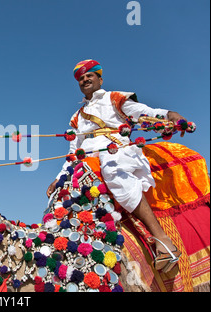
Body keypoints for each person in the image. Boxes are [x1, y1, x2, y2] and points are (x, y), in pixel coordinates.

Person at [46, 59, 184, 272]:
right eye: (81, 79)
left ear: (100, 78)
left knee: (113, 171)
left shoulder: (114, 98)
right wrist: (59, 177)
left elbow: (143, 112)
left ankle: (163, 240)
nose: (85, 80)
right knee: (62, 193)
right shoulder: (76, 118)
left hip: (116, 149)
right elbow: (73, 152)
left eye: (89, 76)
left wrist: (169, 115)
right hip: (88, 159)